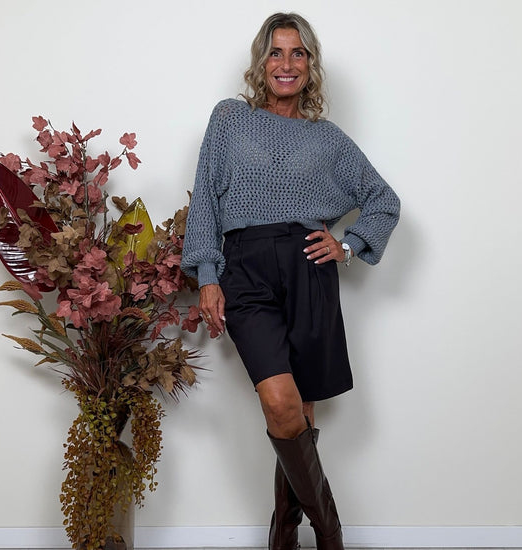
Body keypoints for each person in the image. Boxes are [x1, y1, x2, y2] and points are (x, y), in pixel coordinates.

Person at [181, 12, 400, 550]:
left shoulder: (327, 139)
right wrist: (208, 275)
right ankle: (330, 534)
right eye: (275, 53)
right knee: (280, 403)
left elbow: (383, 200)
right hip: (246, 270)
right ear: (261, 63)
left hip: (309, 272)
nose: (286, 64)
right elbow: (205, 196)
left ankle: (283, 535)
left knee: (299, 412)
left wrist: (347, 245)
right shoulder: (230, 118)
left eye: (297, 53)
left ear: (310, 64)